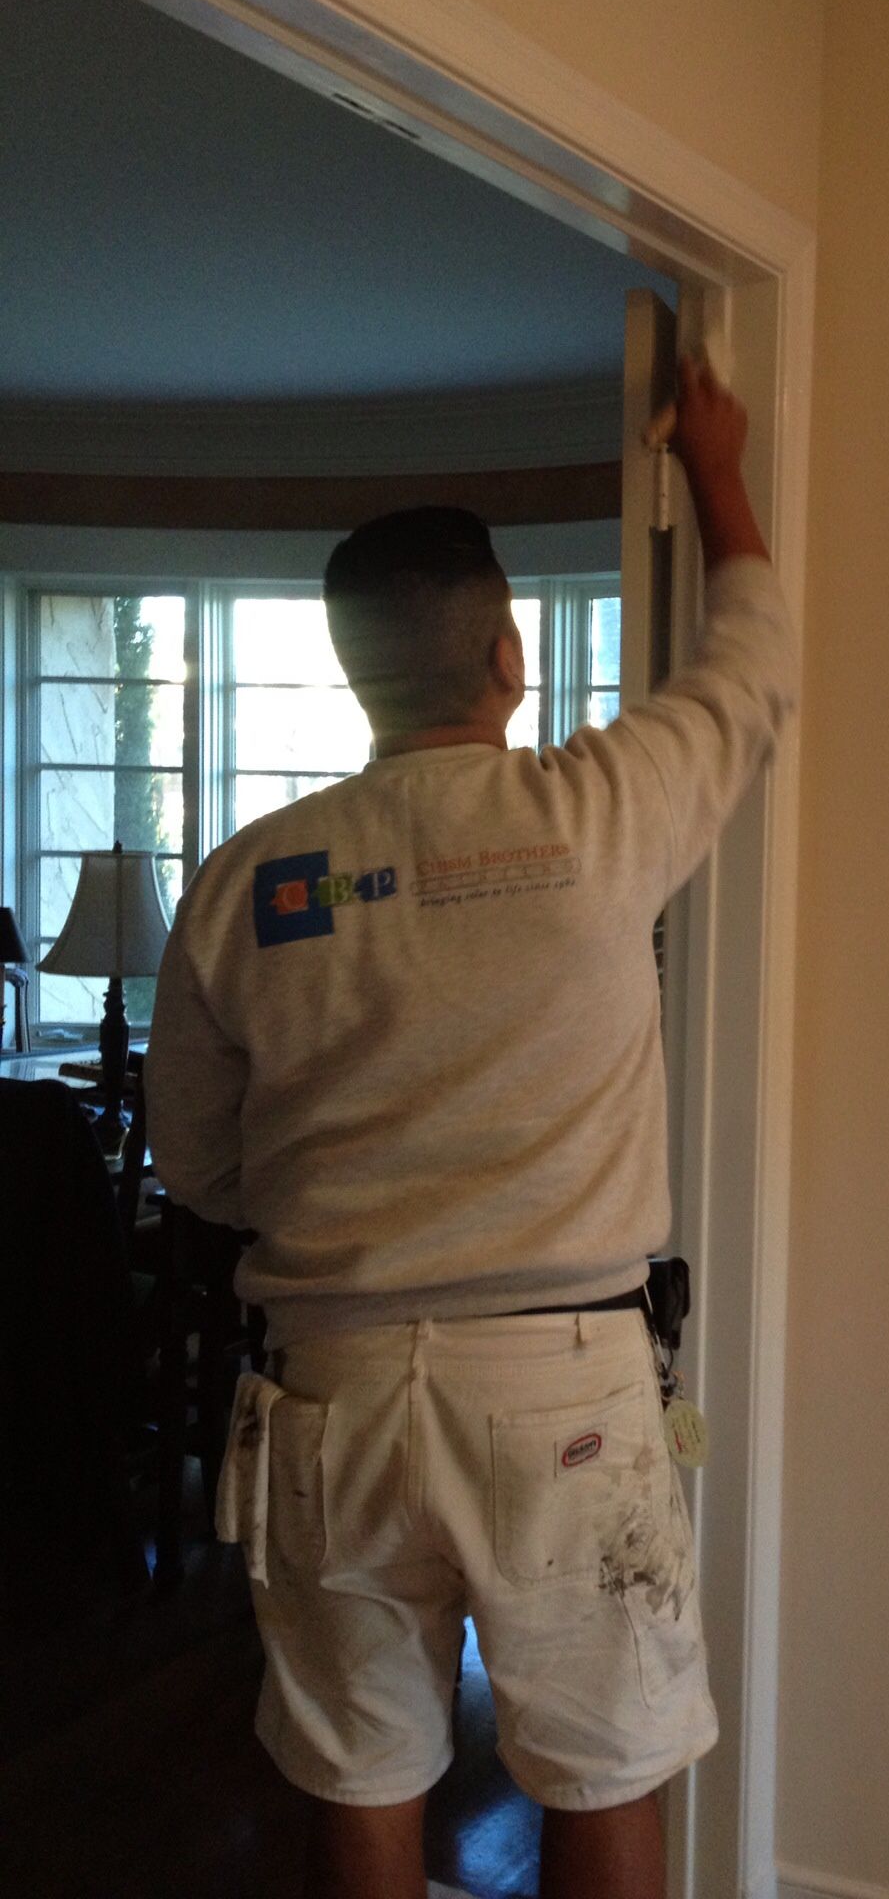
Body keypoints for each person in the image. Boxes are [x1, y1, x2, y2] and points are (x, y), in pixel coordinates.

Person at [144, 356, 798, 1899]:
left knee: (363, 1774)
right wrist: (714, 465)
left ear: (355, 671)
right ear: (507, 652)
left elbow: (199, 1162)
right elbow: (754, 670)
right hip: (559, 1389)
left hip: (332, 1392)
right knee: (604, 1766)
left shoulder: (250, 879)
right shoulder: (595, 808)